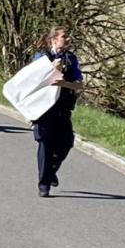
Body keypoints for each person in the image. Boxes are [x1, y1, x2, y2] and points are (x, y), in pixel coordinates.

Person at [32, 26, 83, 197]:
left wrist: (64, 84)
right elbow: (31, 81)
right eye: (64, 36)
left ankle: (51, 170)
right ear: (54, 39)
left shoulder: (71, 59)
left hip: (63, 108)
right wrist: (50, 69)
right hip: (44, 109)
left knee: (66, 142)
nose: (67, 39)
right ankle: (44, 184)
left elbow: (79, 84)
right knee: (45, 144)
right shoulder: (41, 58)